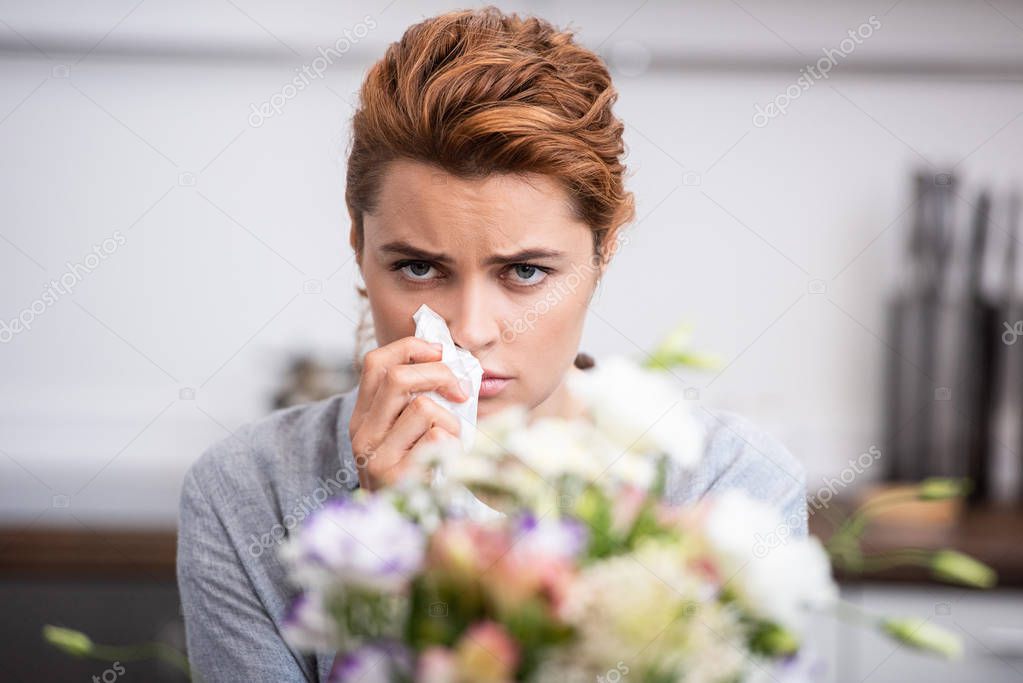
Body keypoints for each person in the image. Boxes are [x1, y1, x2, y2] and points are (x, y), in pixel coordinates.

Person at [177, 7, 808, 681]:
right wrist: (402, 540)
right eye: (418, 268)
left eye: (525, 271)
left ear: (603, 252)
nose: (470, 329)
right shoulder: (247, 492)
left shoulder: (725, 487)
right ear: (358, 246)